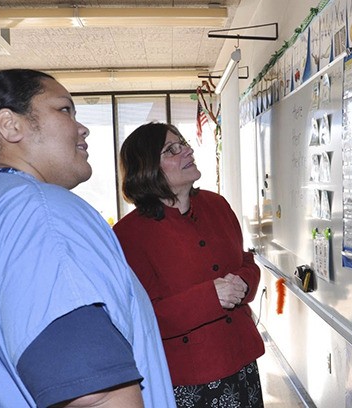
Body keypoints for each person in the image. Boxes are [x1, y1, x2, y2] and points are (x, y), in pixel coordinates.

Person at [0, 69, 176, 408]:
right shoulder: (39, 212)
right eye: (64, 110)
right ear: (11, 125)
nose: (82, 127)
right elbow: (95, 396)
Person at [113, 122, 265, 407]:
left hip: (243, 358)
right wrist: (211, 297)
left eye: (183, 143)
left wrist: (244, 282)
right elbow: (141, 315)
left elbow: (246, 261)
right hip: (190, 376)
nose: (187, 150)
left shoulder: (217, 205)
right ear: (147, 168)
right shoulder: (128, 234)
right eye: (172, 149)